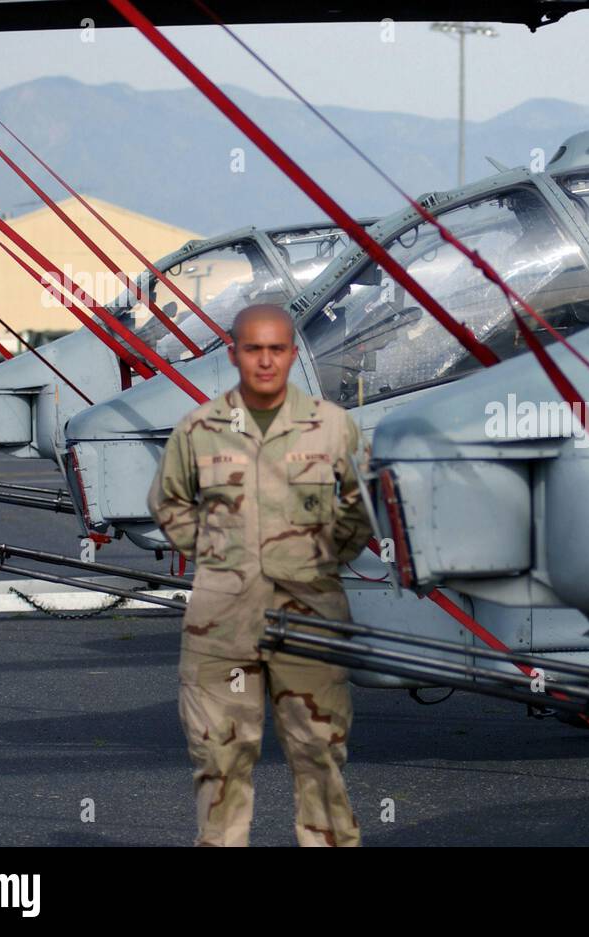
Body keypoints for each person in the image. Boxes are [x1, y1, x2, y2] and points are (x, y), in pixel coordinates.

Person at [148, 303, 372, 846]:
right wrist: (220, 558)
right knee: (219, 762)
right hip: (221, 625)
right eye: (253, 349)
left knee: (320, 758)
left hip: (312, 618)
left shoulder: (333, 427)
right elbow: (168, 502)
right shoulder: (199, 429)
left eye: (276, 349)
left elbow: (360, 510)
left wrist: (316, 564)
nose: (265, 361)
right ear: (233, 354)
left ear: (293, 354)